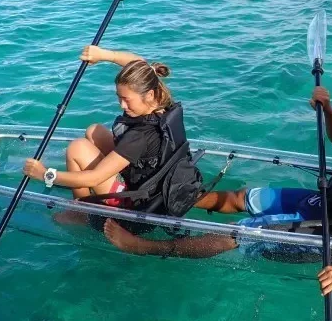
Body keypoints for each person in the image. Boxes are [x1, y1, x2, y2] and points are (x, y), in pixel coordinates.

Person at [103, 66, 332, 296]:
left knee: (243, 232)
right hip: (331, 201)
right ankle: (174, 201)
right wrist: (329, 109)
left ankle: (143, 246)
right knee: (244, 197)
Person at [22, 45, 202, 218]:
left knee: (77, 148)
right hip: (157, 185)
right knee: (94, 131)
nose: (122, 105)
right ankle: (87, 204)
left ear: (148, 95)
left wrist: (46, 174)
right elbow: (141, 65)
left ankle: (84, 212)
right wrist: (104, 55)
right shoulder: (161, 101)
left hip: (137, 203)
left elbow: (94, 178)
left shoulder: (139, 136)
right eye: (118, 97)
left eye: (126, 99)